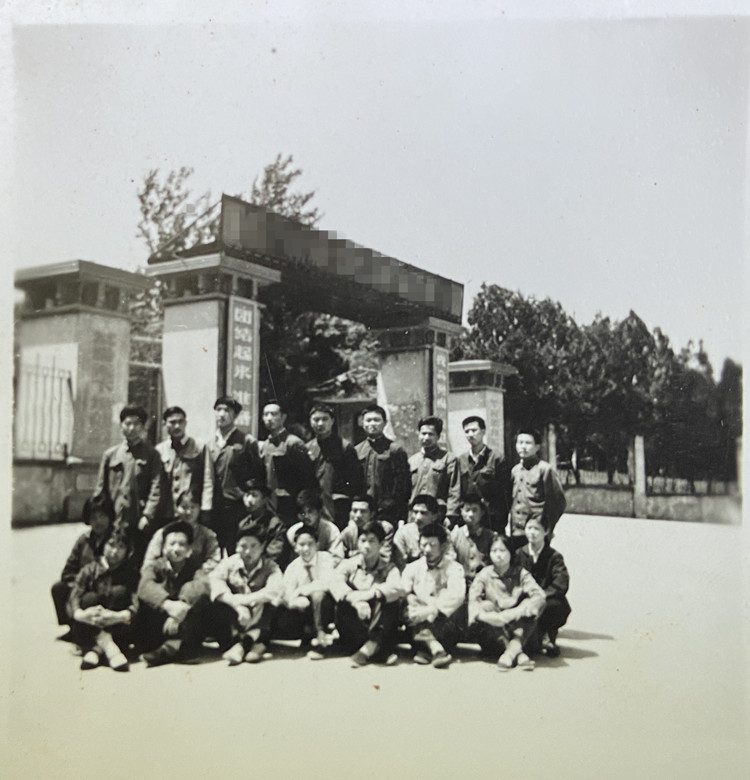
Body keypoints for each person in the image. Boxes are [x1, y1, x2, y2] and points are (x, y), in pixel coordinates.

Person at [92, 403, 164, 562]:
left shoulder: (152, 455)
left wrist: (147, 515)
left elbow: (156, 488)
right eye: (127, 423)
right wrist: (98, 517)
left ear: (143, 427)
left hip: (139, 519)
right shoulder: (110, 455)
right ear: (121, 426)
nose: (131, 428)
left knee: (137, 559)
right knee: (111, 557)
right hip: (113, 518)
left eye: (136, 424)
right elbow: (100, 489)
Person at [205, 525, 284, 665]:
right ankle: (254, 645)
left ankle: (243, 645)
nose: (248, 551)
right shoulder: (229, 563)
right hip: (237, 619)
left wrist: (244, 600)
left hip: (260, 616)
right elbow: (215, 583)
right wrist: (237, 605)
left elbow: (274, 590)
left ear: (262, 547)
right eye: (243, 546)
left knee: (271, 602)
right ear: (236, 547)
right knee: (217, 601)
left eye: (254, 546)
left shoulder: (270, 566)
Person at [136, 520, 211, 666]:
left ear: (189, 549)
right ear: (164, 548)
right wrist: (168, 604)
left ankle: (172, 648)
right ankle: (171, 648)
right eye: (171, 544)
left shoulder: (195, 567)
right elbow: (145, 586)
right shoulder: (155, 566)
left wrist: (181, 607)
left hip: (183, 623)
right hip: (161, 622)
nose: (176, 549)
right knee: (146, 604)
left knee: (198, 598)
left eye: (182, 544)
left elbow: (202, 584)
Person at [467, 534, 546, 671]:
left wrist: (514, 613)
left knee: (532, 605)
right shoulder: (485, 574)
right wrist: (490, 617)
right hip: (494, 630)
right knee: (486, 605)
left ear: (510, 552)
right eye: (494, 551)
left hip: (518, 626)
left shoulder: (521, 573)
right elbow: (473, 599)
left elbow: (539, 595)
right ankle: (517, 653)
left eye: (502, 551)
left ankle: (510, 653)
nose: (498, 555)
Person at [329, 522, 403, 667]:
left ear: (381, 544)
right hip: (354, 625)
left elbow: (397, 587)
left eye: (372, 541)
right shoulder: (349, 564)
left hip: (378, 624)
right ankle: (378, 651)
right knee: (342, 602)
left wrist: (370, 594)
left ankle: (370, 647)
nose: (366, 546)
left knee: (389, 600)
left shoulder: (389, 568)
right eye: (363, 541)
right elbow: (334, 582)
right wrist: (356, 601)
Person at [68, 529, 139, 672]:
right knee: (89, 598)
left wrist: (118, 616)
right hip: (89, 623)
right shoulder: (89, 570)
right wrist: (81, 614)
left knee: (120, 593)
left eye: (121, 547)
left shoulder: (131, 572)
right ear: (103, 545)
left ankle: (96, 650)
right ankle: (109, 647)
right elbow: (75, 595)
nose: (115, 551)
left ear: (127, 550)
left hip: (118, 624)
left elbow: (136, 600)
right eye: (111, 545)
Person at [401, 522, 466, 669]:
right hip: (419, 620)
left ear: (443, 546)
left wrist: (431, 609)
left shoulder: (455, 568)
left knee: (457, 608)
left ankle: (425, 649)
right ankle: (436, 650)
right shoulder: (412, 568)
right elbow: (403, 590)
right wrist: (411, 600)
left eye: (432, 545)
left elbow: (457, 596)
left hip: (443, 625)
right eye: (423, 545)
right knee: (408, 603)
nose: (427, 550)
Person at [208, 395, 265, 555]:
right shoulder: (210, 443)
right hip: (215, 505)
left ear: (235, 415)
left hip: (237, 505)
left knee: (236, 547)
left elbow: (257, 473)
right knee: (215, 548)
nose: (222, 414)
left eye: (227, 410)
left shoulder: (246, 441)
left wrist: (248, 497)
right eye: (218, 409)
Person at [51, 494, 114, 632]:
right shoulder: (83, 540)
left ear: (109, 517)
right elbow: (67, 572)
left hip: (105, 588)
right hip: (81, 585)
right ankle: (72, 626)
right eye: (93, 518)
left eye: (102, 516)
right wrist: (81, 584)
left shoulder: (115, 540)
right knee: (58, 588)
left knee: (90, 598)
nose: (98, 522)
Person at [277, 524, 336, 659]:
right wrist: (295, 600)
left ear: (317, 544)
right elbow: (287, 593)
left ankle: (321, 637)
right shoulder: (293, 567)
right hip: (305, 610)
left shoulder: (326, 558)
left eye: (310, 544)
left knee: (318, 594)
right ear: (295, 547)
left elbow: (327, 583)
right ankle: (307, 633)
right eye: (301, 545)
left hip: (327, 606)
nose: (306, 549)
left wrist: (301, 591)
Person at [516, 516, 571, 657]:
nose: (532, 532)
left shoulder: (554, 557)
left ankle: (549, 635)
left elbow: (561, 582)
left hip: (547, 600)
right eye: (529, 528)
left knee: (556, 606)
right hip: (525, 598)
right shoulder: (519, 553)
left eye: (537, 529)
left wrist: (541, 596)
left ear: (546, 531)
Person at [446, 415, 511, 534]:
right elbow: (456, 490)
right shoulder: (461, 460)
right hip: (468, 518)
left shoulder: (496, 458)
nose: (470, 434)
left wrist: (501, 519)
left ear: (483, 431)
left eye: (474, 430)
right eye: (467, 431)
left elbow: (505, 493)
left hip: (491, 519)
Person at [259, 399, 317, 528]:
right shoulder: (265, 445)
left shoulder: (293, 443)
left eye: (274, 414)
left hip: (288, 504)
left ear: (283, 417)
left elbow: (307, 477)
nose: (269, 418)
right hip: (269, 503)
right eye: (266, 414)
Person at [306, 401, 364, 529]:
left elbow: (356, 481)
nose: (320, 423)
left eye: (325, 419)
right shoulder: (308, 448)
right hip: (315, 506)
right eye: (316, 420)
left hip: (338, 507)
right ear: (310, 422)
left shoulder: (344, 447)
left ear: (332, 421)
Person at [509, 428, 567, 549]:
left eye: (528, 443)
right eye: (520, 442)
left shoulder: (544, 469)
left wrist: (547, 528)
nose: (523, 446)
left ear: (537, 447)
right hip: (516, 531)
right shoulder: (515, 471)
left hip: (537, 531)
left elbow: (558, 502)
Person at [354, 404, 410, 526]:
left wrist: (400, 515)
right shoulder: (357, 451)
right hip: (363, 512)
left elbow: (403, 486)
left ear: (385, 423)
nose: (372, 424)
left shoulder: (395, 450)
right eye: (368, 420)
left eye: (376, 420)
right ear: (362, 423)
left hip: (388, 512)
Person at [141, 490, 220, 574]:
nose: (188, 512)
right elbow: (149, 562)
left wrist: (197, 574)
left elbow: (214, 560)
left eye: (193, 507)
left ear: (199, 508)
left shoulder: (207, 535)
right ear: (177, 508)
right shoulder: (163, 533)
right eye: (184, 507)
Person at [155, 406, 213, 520]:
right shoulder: (160, 450)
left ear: (185, 423)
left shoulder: (199, 446)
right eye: (172, 422)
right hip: (168, 511)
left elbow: (208, 479)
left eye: (180, 421)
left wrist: (206, 507)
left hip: (191, 510)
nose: (177, 426)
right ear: (164, 424)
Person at [408, 415, 458, 522]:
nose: (426, 438)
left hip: (437, 515)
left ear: (438, 436)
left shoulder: (448, 459)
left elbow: (454, 490)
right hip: (415, 516)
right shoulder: (412, 461)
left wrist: (450, 515)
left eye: (431, 434)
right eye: (423, 433)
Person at [330, 494, 395, 567]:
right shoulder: (349, 532)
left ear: (372, 514)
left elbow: (385, 557)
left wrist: (354, 555)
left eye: (363, 511)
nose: (358, 515)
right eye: (354, 511)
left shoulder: (385, 528)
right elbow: (337, 559)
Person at [236, 478, 287, 567]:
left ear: (265, 499)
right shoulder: (243, 523)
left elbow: (274, 554)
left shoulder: (275, 524)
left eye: (254, 495)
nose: (249, 500)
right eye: (247, 495)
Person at [449, 492, 495, 582]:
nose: (470, 514)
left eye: (475, 510)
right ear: (461, 512)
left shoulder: (490, 536)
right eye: (467, 510)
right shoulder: (455, 535)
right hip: (460, 581)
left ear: (482, 512)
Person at [285, 489, 341, 556]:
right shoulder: (292, 533)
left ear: (319, 512)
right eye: (302, 513)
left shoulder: (331, 531)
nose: (306, 516)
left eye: (310, 511)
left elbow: (337, 557)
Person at [393, 494, 441, 567]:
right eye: (415, 512)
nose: (418, 517)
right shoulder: (403, 533)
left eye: (423, 513)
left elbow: (449, 560)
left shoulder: (443, 534)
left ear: (435, 516)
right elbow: (400, 563)